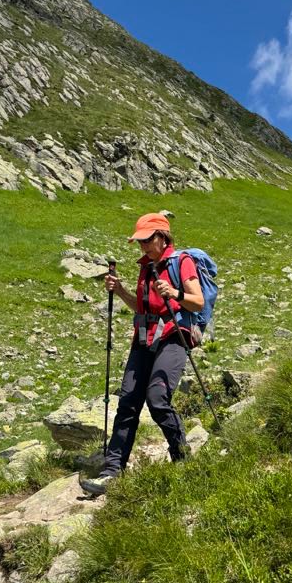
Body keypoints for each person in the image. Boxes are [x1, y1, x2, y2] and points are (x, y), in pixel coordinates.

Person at [80, 212, 205, 497]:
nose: (143, 246)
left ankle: (182, 459)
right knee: (128, 403)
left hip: (174, 336)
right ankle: (112, 471)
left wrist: (174, 292)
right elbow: (142, 307)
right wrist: (121, 290)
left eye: (148, 240)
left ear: (163, 237)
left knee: (157, 399)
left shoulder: (181, 262)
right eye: (140, 241)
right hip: (143, 339)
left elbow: (196, 302)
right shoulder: (145, 268)